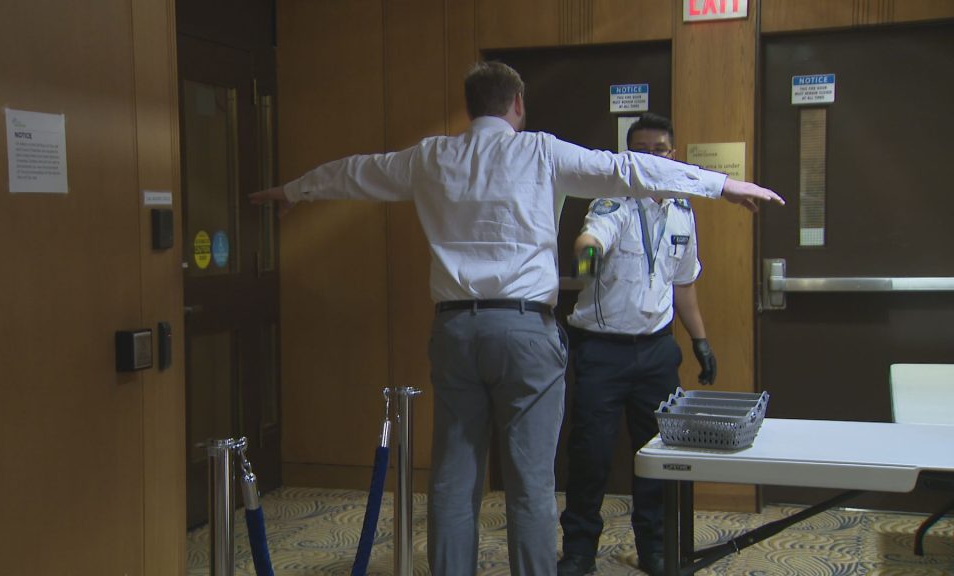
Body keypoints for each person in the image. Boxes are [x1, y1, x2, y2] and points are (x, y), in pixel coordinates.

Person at [249, 62, 782, 576]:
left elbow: (358, 172)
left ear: (470, 106)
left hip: (456, 332)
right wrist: (720, 185)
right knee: (529, 483)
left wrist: (295, 190)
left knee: (454, 480)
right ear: (518, 105)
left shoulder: (431, 156)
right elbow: (628, 169)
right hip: (527, 332)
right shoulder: (542, 152)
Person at [557, 113, 718, 576]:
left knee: (658, 457)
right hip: (602, 353)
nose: (651, 158)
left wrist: (701, 341)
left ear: (673, 153)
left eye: (660, 149)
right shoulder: (613, 201)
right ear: (628, 157)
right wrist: (585, 261)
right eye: (641, 151)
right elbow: (591, 238)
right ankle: (580, 550)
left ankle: (655, 547)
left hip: (656, 353)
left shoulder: (683, 211)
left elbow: (683, 284)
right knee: (591, 454)